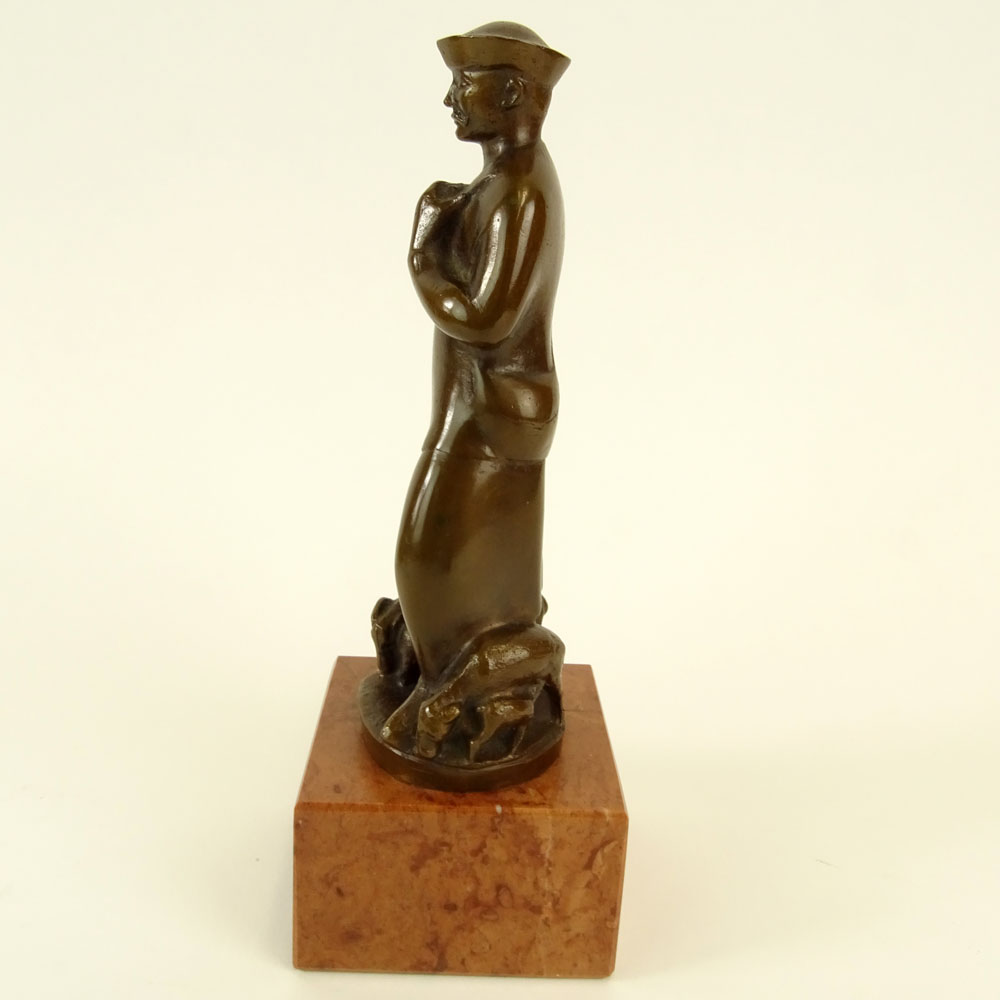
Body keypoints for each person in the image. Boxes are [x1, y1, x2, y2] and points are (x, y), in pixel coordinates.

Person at [363, 23, 571, 787]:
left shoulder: (520, 192)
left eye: (464, 84)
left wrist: (423, 254)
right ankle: (446, 670)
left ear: (512, 92)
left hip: (496, 415)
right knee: (438, 560)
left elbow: (487, 320)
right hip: (476, 410)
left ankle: (464, 680)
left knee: (432, 555)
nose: (450, 99)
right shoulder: (498, 185)